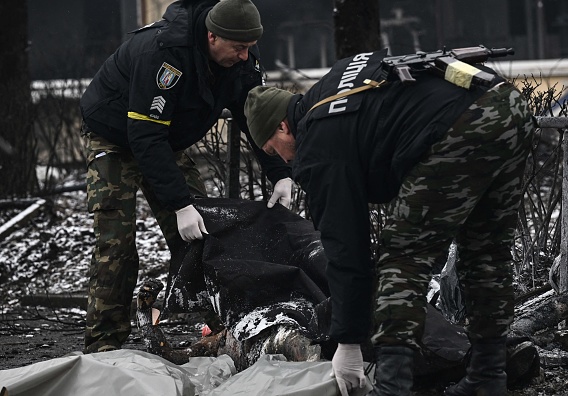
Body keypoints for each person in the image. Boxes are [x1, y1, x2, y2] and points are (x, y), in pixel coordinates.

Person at [244, 48, 534, 395]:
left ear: (281, 125)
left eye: (275, 149)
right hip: (506, 105)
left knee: (401, 260)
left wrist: (348, 343)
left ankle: (393, 388)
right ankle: (488, 379)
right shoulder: (334, 84)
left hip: (458, 128)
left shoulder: (317, 145)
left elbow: (346, 250)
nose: (285, 160)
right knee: (486, 254)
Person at [79, 0, 292, 354]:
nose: (244, 57)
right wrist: (179, 204)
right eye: (238, 48)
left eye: (249, 49)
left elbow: (256, 118)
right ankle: (104, 346)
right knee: (116, 245)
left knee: (203, 238)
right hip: (114, 136)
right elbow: (144, 137)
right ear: (212, 37)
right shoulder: (163, 55)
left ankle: (222, 331)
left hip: (165, 138)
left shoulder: (240, 62)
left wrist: (280, 174)